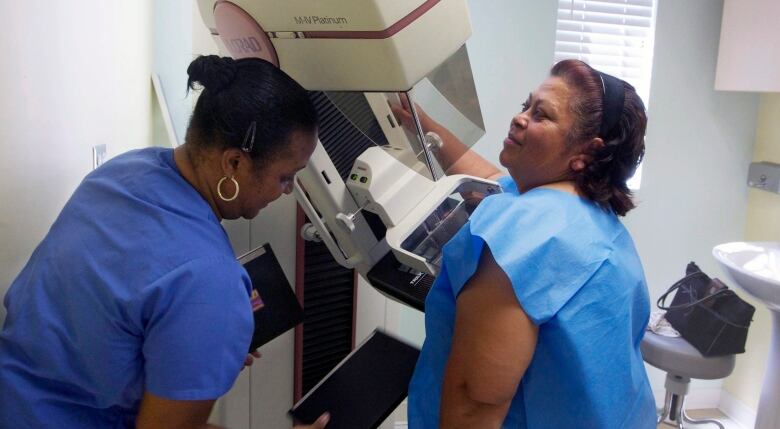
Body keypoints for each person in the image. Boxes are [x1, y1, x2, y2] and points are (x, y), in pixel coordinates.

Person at [0, 56, 329, 429]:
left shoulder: (122, 171)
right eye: (286, 177)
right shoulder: (212, 285)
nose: (287, 192)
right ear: (234, 163)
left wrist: (187, 345)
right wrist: (204, 326)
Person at [396, 59, 657, 428]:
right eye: (525, 106)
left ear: (587, 150)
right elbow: (489, 178)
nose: (520, 118)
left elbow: (475, 402)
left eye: (542, 115)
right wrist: (421, 124)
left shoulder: (529, 232)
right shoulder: (583, 214)